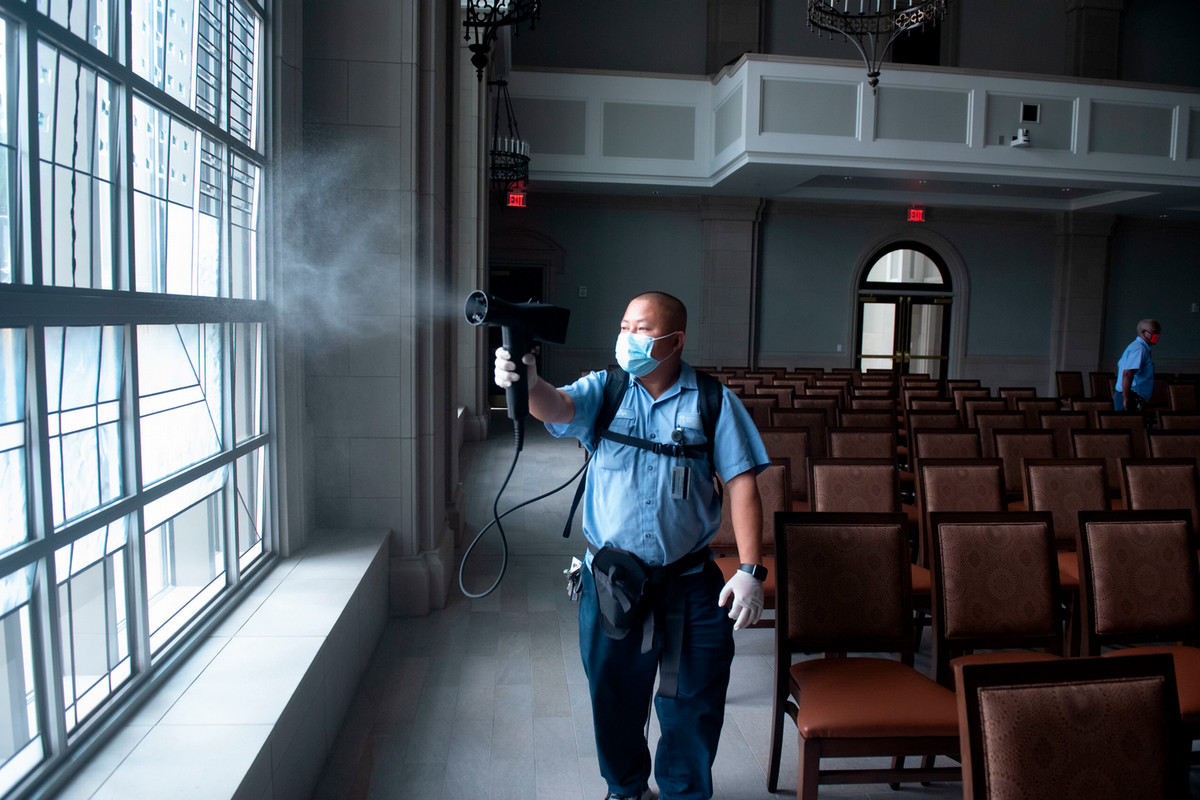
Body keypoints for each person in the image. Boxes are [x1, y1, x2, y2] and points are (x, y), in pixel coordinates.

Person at [494, 291, 770, 800]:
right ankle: (625, 790)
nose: (628, 338)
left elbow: (742, 483)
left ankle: (684, 792)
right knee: (614, 698)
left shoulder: (712, 401)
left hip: (690, 583)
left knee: (693, 702)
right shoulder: (608, 389)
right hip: (612, 583)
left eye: (642, 330)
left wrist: (750, 569)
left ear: (675, 341)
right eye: (624, 327)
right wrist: (528, 381)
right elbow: (557, 405)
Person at [1113, 318, 1161, 411]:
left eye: (1159, 332)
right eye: (1154, 332)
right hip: (1131, 396)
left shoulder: (1137, 347)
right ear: (1143, 332)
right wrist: (1126, 398)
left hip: (1131, 396)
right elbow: (1127, 373)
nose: (1158, 335)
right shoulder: (1140, 349)